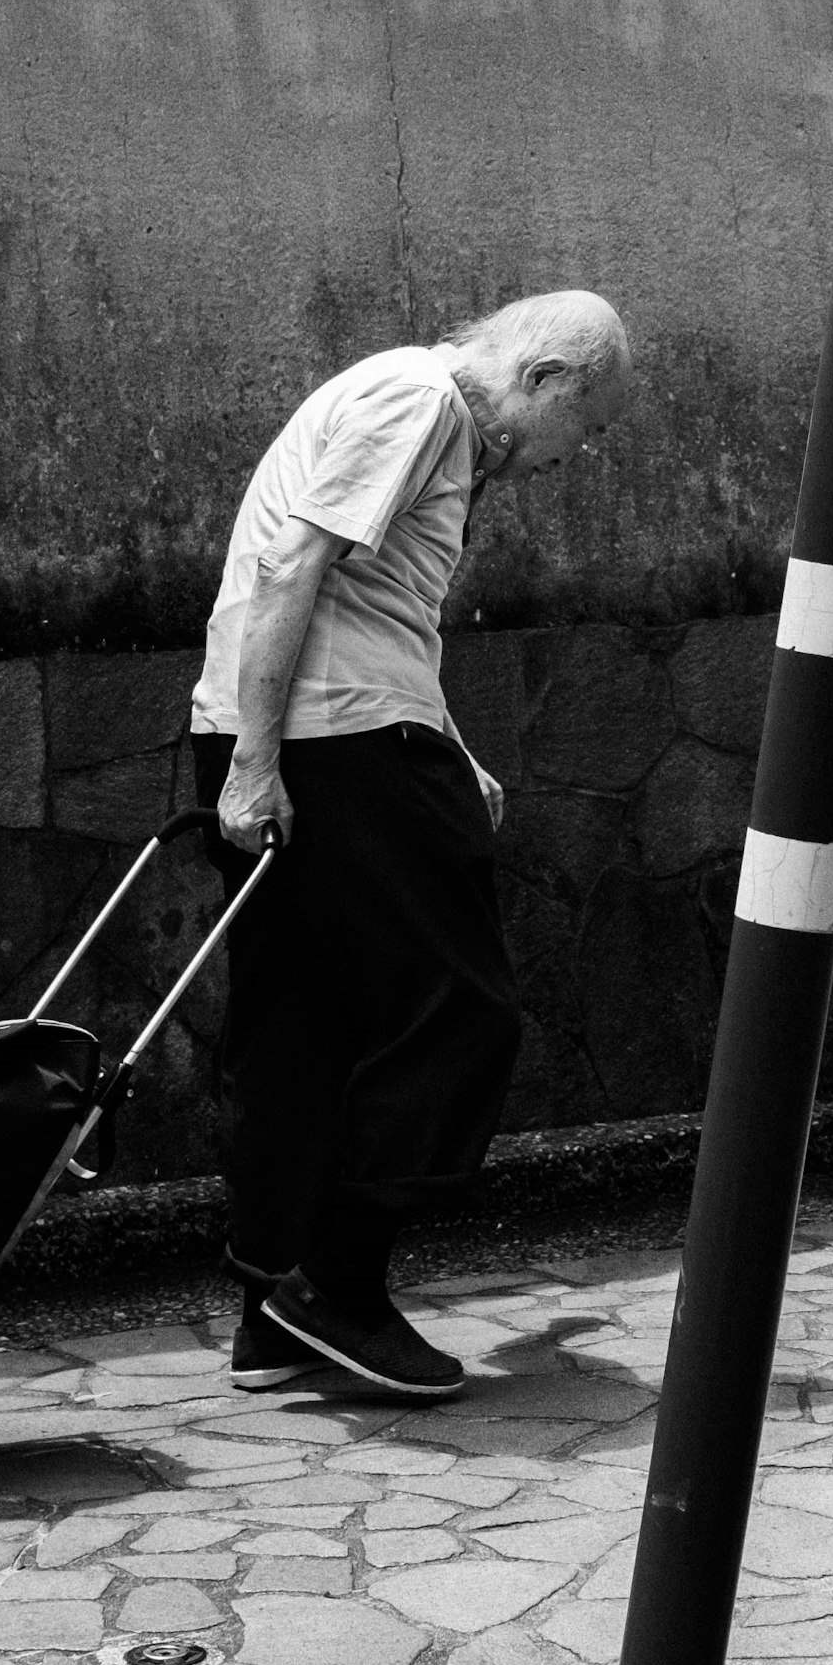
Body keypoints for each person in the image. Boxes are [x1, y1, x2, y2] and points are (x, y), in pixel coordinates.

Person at [188, 290, 638, 1398]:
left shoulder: (407, 402)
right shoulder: (421, 399)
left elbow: (362, 603)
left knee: (304, 1028)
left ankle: (272, 1310)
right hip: (332, 743)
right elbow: (293, 568)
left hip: (306, 730)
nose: (568, 458)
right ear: (542, 380)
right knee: (462, 1015)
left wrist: (445, 738)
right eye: (584, 425)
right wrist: (261, 765)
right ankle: (336, 1285)